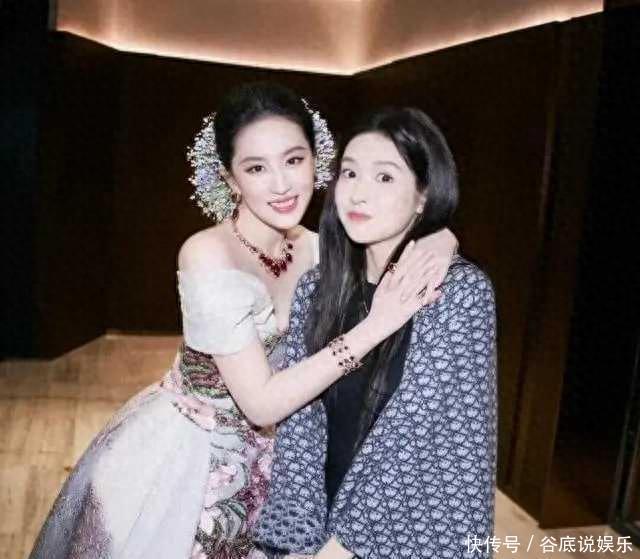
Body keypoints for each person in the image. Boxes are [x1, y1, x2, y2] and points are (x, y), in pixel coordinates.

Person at [29, 84, 459, 559]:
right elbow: (260, 405)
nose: (281, 184)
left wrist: (440, 238)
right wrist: (374, 327)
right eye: (256, 168)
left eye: (293, 160)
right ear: (230, 179)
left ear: (317, 161)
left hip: (288, 455)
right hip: (194, 456)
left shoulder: (321, 247)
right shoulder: (207, 253)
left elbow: (406, 225)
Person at [255, 107, 497, 559]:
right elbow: (299, 431)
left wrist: (341, 549)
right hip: (319, 521)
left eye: (384, 177)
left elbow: (412, 439)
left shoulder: (459, 293)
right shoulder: (317, 288)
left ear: (424, 196)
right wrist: (297, 538)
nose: (359, 193)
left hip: (413, 531)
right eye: (349, 173)